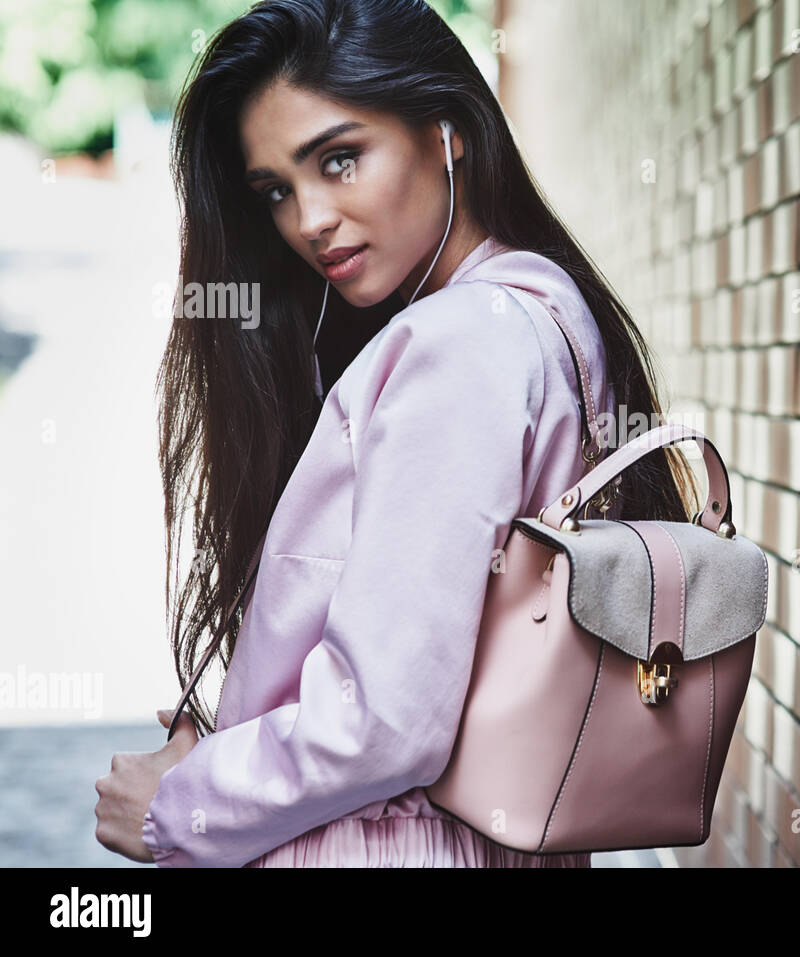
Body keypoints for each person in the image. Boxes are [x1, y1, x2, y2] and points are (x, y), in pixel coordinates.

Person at [92, 0, 700, 868]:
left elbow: (386, 722)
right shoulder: (543, 312)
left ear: (446, 130)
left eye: (340, 160)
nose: (308, 220)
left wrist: (179, 802)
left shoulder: (459, 343)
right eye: (276, 190)